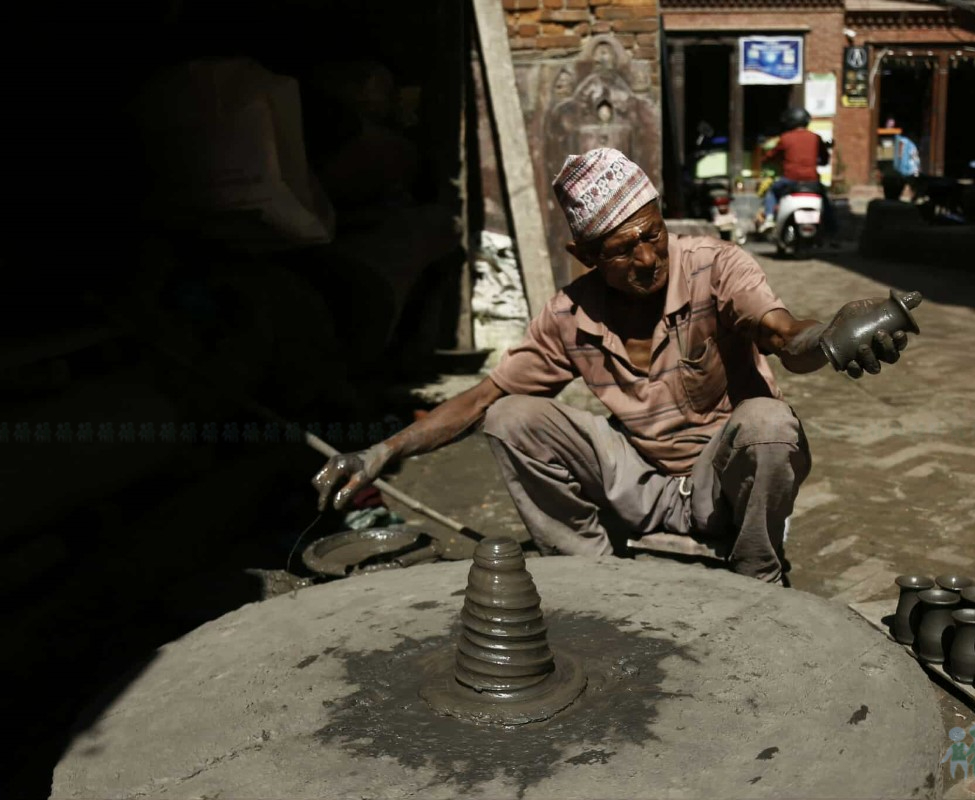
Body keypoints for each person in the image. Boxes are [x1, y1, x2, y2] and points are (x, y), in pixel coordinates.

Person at [313, 148, 915, 584]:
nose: (648, 258)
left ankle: (757, 573)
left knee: (768, 423)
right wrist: (380, 453)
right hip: (640, 484)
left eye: (652, 234)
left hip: (718, 482)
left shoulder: (716, 266)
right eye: (623, 250)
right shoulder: (570, 315)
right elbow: (478, 399)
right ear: (584, 255)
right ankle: (592, 575)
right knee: (511, 416)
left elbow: (784, 334)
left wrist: (831, 336)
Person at [760, 108, 837, 237]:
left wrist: (764, 160)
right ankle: (832, 230)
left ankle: (769, 218)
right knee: (826, 202)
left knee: (772, 192)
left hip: (790, 180)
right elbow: (824, 159)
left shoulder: (785, 138)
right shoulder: (815, 137)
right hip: (813, 182)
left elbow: (771, 155)